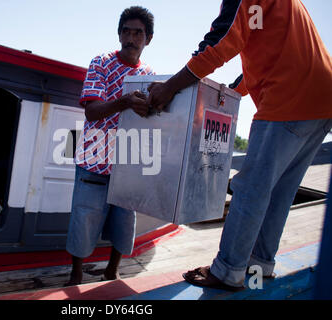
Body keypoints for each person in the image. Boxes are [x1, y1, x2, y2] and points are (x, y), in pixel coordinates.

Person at [147, 0, 332, 291]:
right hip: (322, 99)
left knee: (251, 189)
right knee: (280, 191)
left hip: (288, 97)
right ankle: (261, 267)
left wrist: (169, 87)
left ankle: (228, 271)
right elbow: (269, 50)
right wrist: (232, 94)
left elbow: (221, 43)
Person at [65, 6, 155, 286]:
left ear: (147, 39)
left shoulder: (150, 75)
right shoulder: (101, 62)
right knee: (84, 219)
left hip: (127, 165)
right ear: (119, 35)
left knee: (124, 223)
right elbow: (91, 111)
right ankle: (75, 275)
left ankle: (111, 272)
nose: (131, 38)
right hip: (93, 161)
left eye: (138, 33)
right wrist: (125, 101)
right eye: (126, 31)